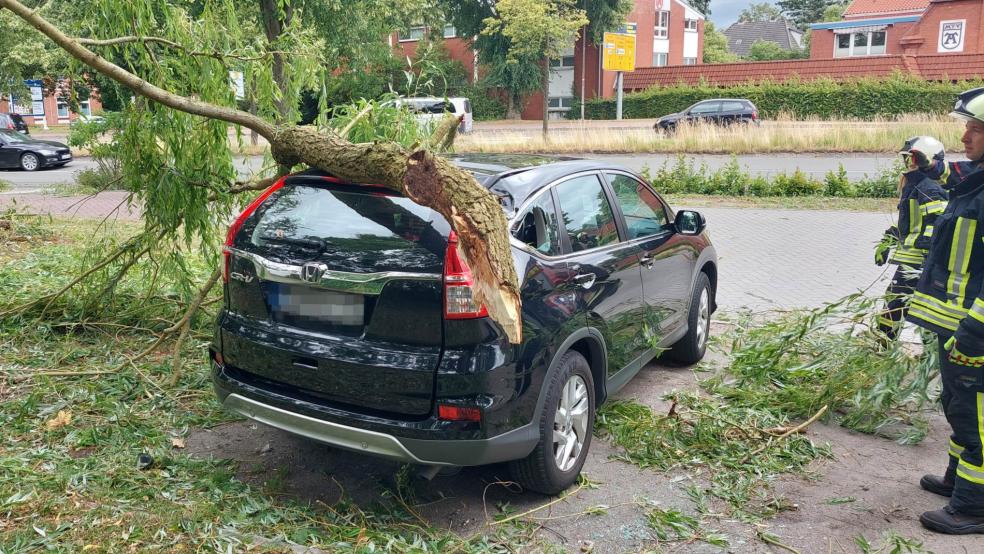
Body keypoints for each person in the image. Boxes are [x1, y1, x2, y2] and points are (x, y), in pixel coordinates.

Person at [906, 86, 984, 534]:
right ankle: (959, 482)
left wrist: (975, 328)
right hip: (955, 323)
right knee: (957, 403)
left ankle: (974, 505)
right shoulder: (973, 181)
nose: (966, 135)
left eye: (975, 128)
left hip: (974, 329)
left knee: (976, 410)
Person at [874, 136, 947, 340]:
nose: (907, 163)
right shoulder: (915, 185)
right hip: (912, 260)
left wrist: (927, 253)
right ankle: (886, 346)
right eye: (906, 158)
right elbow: (910, 225)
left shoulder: (930, 187)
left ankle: (884, 347)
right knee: (900, 304)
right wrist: (887, 241)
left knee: (900, 305)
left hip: (920, 261)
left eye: (911, 158)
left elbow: (938, 222)